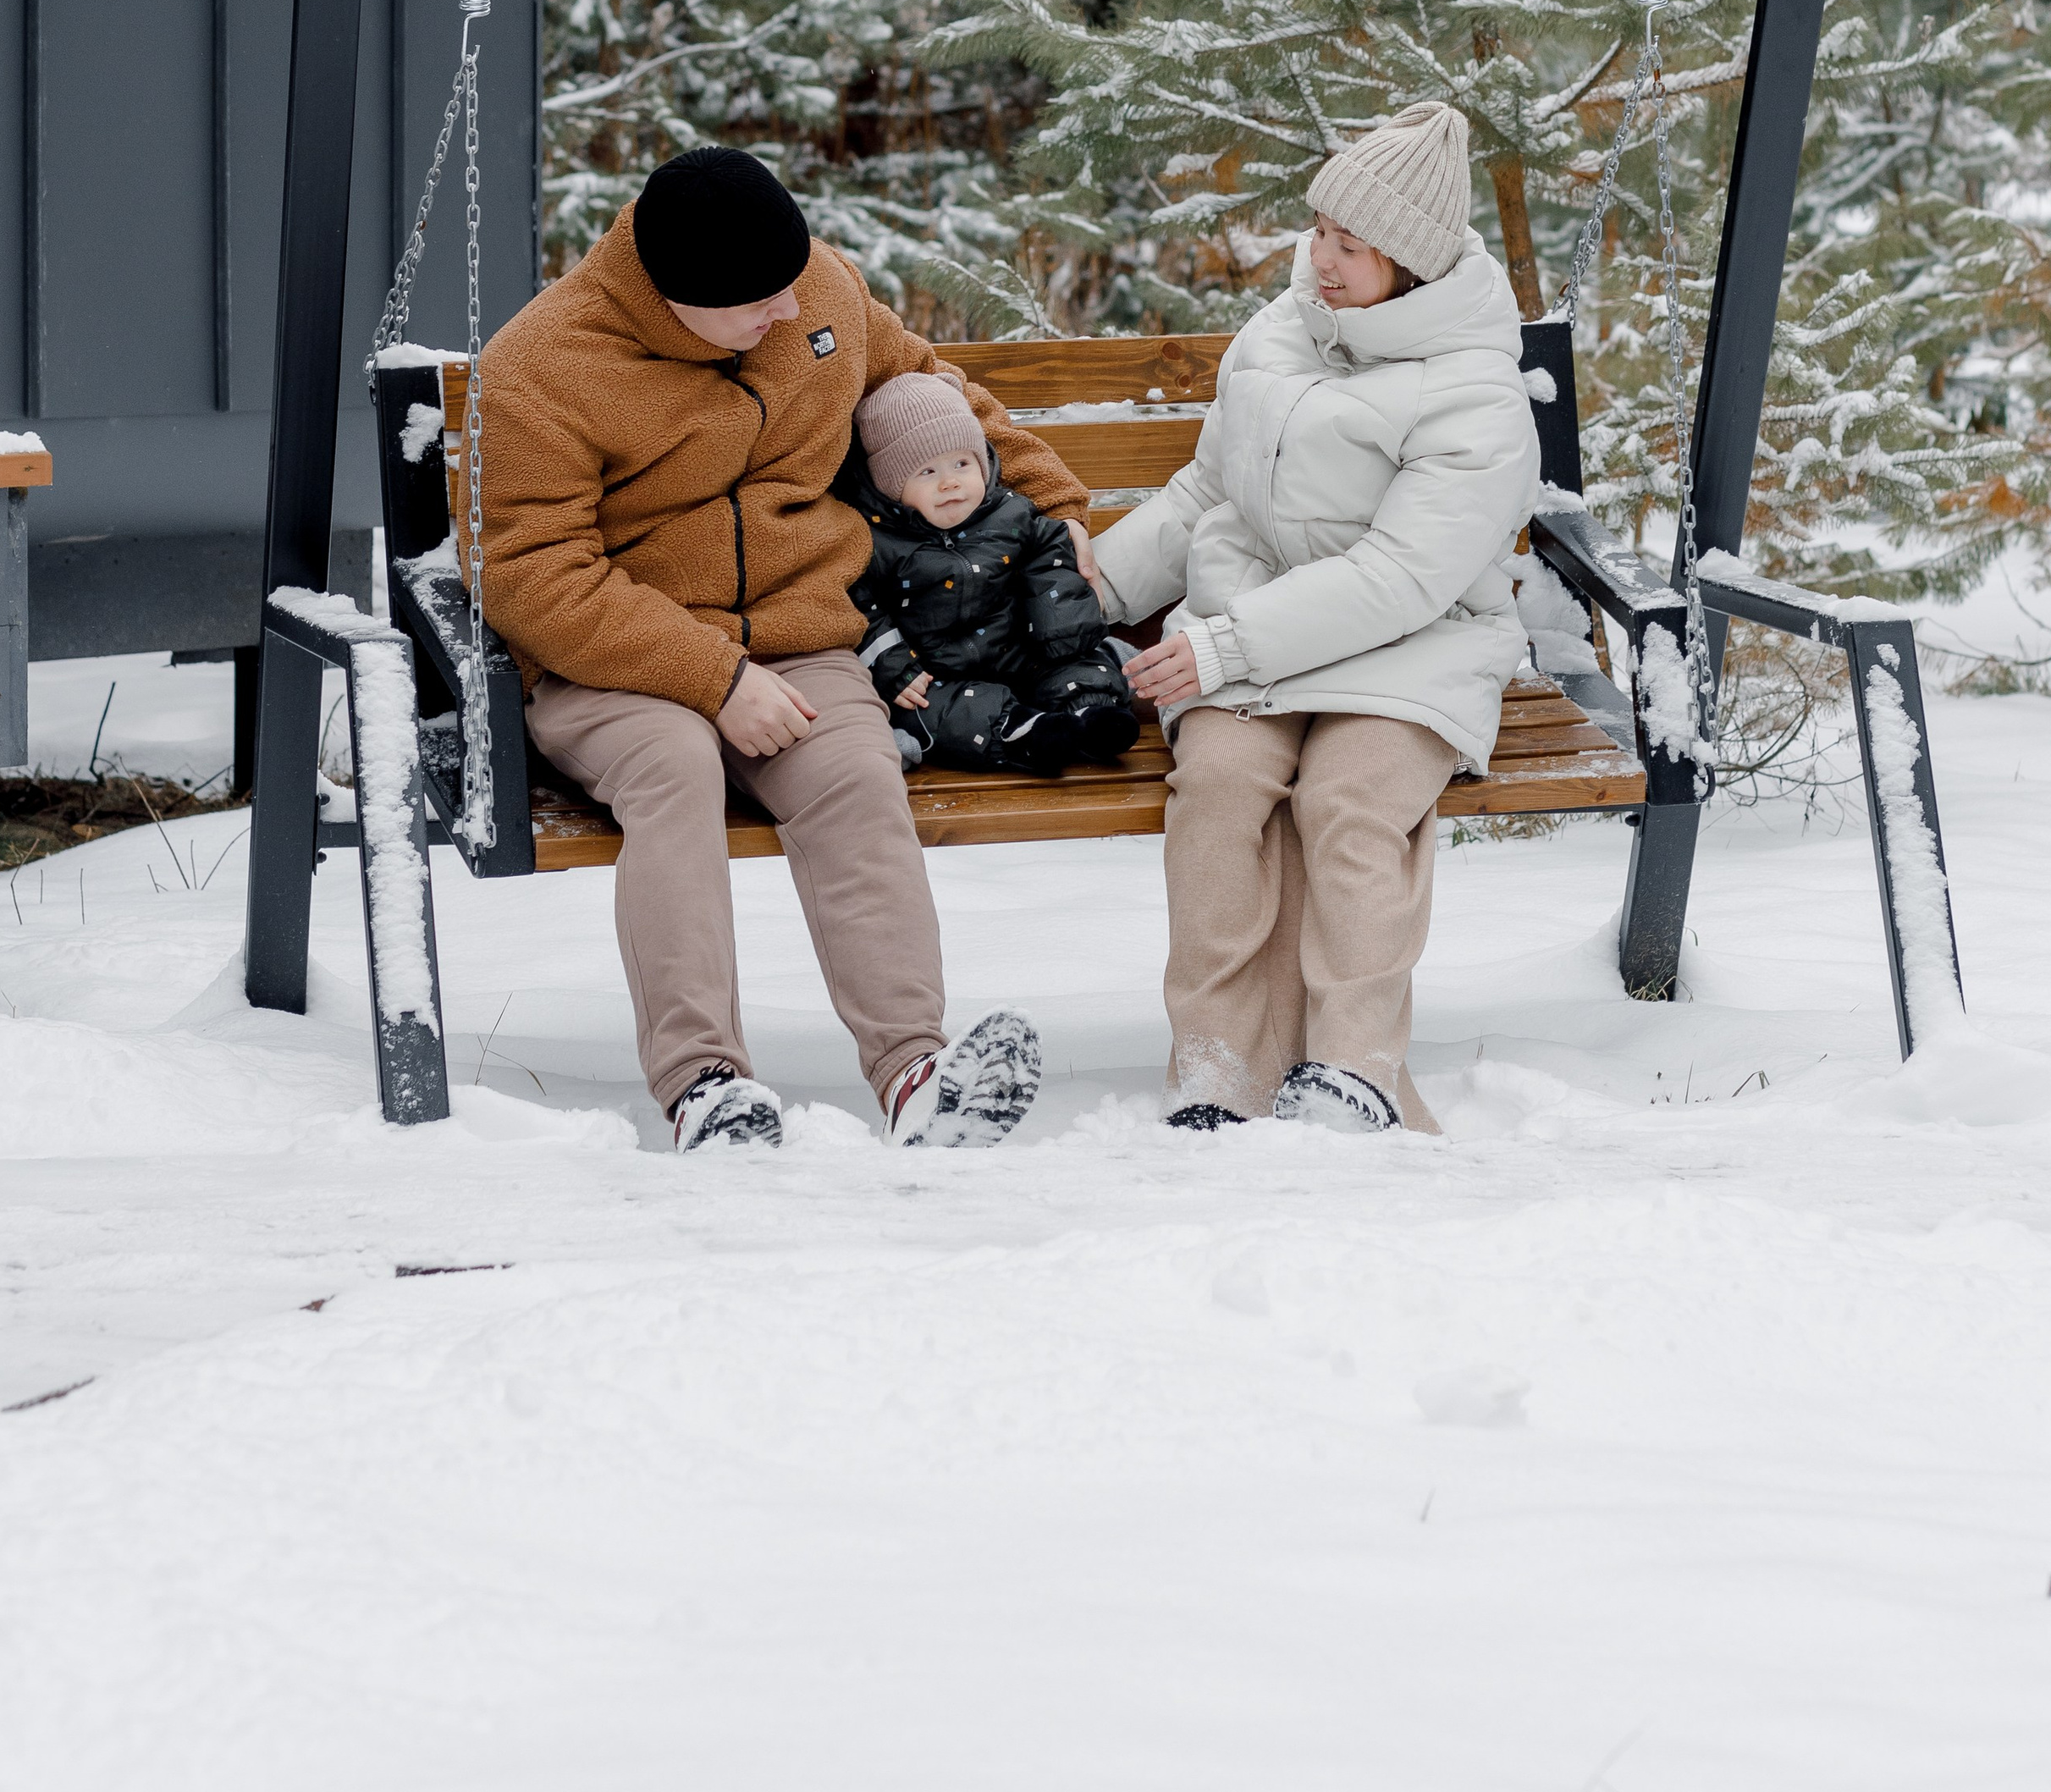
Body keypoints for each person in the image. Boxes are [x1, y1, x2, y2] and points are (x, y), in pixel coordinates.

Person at [473, 145, 1098, 1155]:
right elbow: (535, 575)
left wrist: (1055, 502)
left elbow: (933, 391)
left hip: (801, 634)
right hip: (616, 662)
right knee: (673, 772)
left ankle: (918, 1073)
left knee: (854, 772)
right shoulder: (542, 367)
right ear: (672, 296)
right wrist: (713, 680)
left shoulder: (819, 290)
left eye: (787, 285)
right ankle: (704, 1083)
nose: (781, 311)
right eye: (750, 305)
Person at [1093, 101, 1541, 1136]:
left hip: (1411, 646)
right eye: (1321, 233)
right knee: (1219, 787)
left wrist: (1219, 645)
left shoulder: (1473, 396)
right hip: (1249, 623)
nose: (1324, 260)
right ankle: (1216, 1062)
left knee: (1347, 801)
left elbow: (1398, 577)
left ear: (1415, 267)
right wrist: (1099, 593)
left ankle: (1355, 1069)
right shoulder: (1281, 330)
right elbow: (1209, 489)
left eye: (1353, 246)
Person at [841, 376, 1139, 776]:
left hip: (1023, 651)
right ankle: (1026, 734)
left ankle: (1090, 716)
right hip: (937, 672)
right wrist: (894, 666)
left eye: (962, 463)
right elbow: (857, 604)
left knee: (1081, 664)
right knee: (931, 711)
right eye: (926, 471)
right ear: (891, 485)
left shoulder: (1013, 514)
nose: (950, 482)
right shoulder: (873, 542)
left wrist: (1063, 629)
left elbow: (1050, 562)